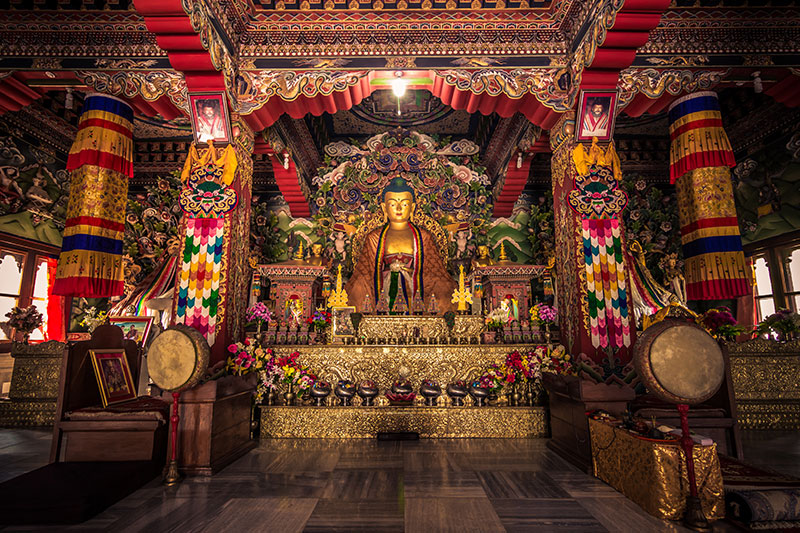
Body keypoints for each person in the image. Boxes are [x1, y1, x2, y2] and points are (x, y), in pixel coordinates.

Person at [345, 178, 456, 313]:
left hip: (415, 281)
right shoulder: (374, 237)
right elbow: (366, 271)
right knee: (358, 286)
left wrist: (409, 273)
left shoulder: (424, 236)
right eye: (392, 204)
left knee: (443, 285)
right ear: (384, 208)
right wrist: (391, 273)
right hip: (383, 284)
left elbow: (433, 270)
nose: (398, 209)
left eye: (404, 204)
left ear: (413, 208)